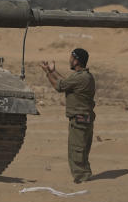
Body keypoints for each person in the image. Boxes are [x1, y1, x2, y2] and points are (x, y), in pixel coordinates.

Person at [39, 47, 95, 183]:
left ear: (77, 61)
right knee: (81, 151)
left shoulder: (81, 78)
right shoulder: (83, 76)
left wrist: (47, 73)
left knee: (77, 151)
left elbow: (60, 86)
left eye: (71, 58)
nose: (69, 60)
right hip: (83, 119)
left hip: (79, 120)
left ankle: (83, 179)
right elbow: (66, 82)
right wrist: (53, 71)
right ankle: (84, 176)